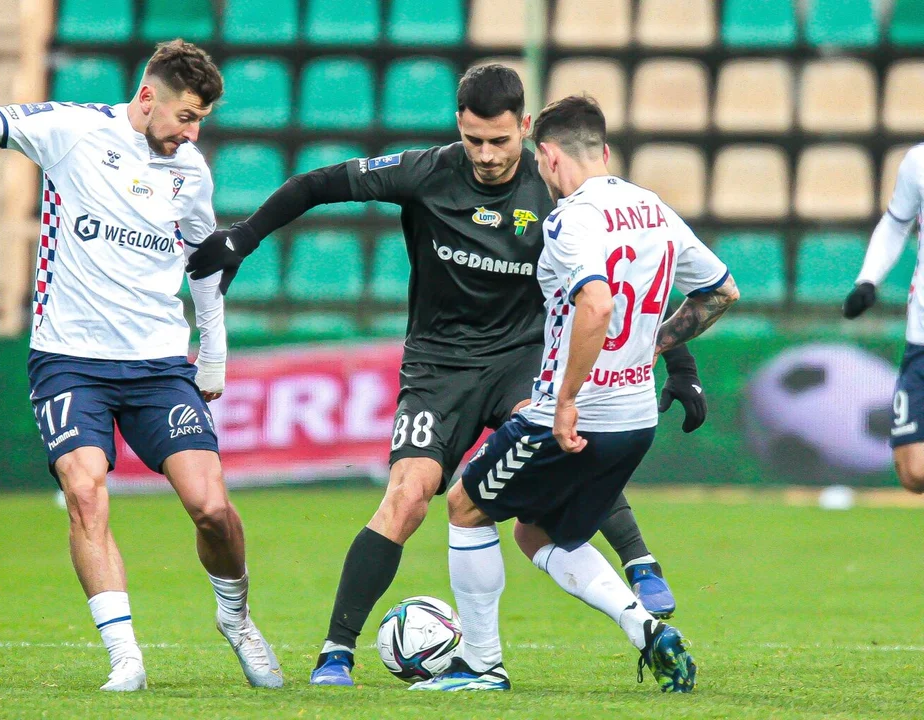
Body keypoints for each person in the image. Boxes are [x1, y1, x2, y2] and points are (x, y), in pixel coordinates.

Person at [187, 64, 704, 685]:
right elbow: (315, 183)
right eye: (473, 140)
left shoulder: (558, 190)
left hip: (525, 359)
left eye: (500, 141)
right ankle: (336, 651)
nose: (485, 155)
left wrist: (681, 360)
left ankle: (637, 563)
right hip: (439, 366)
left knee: (561, 440)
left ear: (528, 130)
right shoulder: (428, 171)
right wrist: (243, 237)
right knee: (406, 499)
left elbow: (631, 279)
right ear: (459, 128)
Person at [0, 39, 283, 692]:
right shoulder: (72, 131)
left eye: (201, 119)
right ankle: (126, 657)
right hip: (69, 361)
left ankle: (235, 618)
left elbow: (206, 264)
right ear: (148, 97)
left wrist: (213, 354)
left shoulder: (192, 171)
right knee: (85, 491)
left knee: (211, 508)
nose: (193, 130)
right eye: (186, 116)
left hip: (156, 365)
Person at [411, 95, 739, 693]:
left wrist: (566, 399)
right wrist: (652, 348)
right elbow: (721, 293)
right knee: (538, 532)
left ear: (549, 154)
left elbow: (596, 303)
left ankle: (481, 667)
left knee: (464, 506)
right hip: (636, 419)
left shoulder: (569, 219)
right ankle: (646, 630)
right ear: (606, 152)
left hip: (570, 417)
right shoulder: (653, 209)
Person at [844, 145, 924, 494]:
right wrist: (868, 279)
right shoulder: (919, 161)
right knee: (913, 472)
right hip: (921, 336)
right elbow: (896, 223)